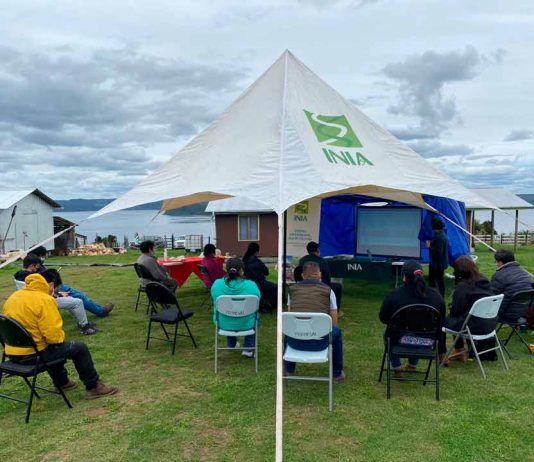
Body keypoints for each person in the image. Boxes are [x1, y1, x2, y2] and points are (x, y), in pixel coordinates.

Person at [2, 272, 118, 399]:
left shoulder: (13, 297)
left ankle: (62, 382)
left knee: (53, 347)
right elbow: (54, 338)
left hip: (13, 353)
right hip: (33, 355)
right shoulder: (45, 300)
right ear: (50, 285)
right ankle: (94, 387)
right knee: (78, 348)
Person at [379, 260, 446, 374]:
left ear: (404, 276)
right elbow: (441, 321)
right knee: (417, 331)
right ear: (421, 274)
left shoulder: (394, 295)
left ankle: (397, 367)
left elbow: (383, 318)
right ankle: (412, 365)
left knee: (387, 333)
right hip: (428, 343)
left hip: (399, 341)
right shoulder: (436, 296)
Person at [285, 261, 345, 382]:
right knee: (337, 331)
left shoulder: (292, 291)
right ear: (319, 275)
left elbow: (291, 316)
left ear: (302, 275)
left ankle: (288, 369)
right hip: (321, 342)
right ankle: (337, 374)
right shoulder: (328, 291)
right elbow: (333, 321)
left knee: (287, 331)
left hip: (294, 341)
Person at [29, 246, 114, 317]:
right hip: (52, 288)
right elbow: (44, 281)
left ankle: (98, 308)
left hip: (52, 286)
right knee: (79, 296)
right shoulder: (36, 267)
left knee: (79, 294)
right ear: (39, 255)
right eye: (43, 256)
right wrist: (57, 293)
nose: (44, 258)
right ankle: (100, 312)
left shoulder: (30, 266)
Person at [443, 255, 496, 361]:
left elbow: (456, 310)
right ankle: (460, 350)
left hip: (473, 326)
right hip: (490, 323)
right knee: (460, 318)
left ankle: (457, 350)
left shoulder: (462, 287)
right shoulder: (484, 280)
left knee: (449, 319)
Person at [211, 258, 261, 357]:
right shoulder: (251, 285)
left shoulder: (217, 284)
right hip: (247, 323)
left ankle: (231, 344)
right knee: (254, 316)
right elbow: (257, 302)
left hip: (223, 323)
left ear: (226, 269)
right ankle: (248, 348)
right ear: (242, 270)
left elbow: (214, 300)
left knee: (228, 312)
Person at [43, 269, 98, 335]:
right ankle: (85, 327)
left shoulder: (40, 281)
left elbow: (49, 293)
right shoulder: (47, 283)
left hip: (48, 299)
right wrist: (57, 294)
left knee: (71, 299)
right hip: (46, 302)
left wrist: (59, 294)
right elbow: (47, 295)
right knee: (78, 302)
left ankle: (82, 323)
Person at [491, 249, 533, 322]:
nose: (496, 264)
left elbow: (492, 296)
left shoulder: (499, 275)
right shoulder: (526, 274)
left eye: (496, 262)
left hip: (504, 314)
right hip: (525, 312)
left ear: (500, 262)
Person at [299, 241, 343, 310]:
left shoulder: (302, 260)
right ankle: (336, 310)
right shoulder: (322, 261)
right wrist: (328, 286)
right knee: (338, 287)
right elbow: (327, 275)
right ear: (317, 250)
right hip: (320, 285)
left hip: (304, 284)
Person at [242, 242, 277, 310]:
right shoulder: (257, 261)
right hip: (259, 283)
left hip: (248, 284)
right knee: (276, 287)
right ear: (256, 251)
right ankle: (271, 305)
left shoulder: (244, 261)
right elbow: (266, 272)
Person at [427, 218, 448, 298]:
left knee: (434, 280)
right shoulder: (442, 234)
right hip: (441, 263)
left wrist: (429, 246)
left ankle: (433, 296)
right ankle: (441, 295)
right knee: (440, 280)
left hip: (437, 264)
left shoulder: (439, 237)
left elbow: (439, 252)